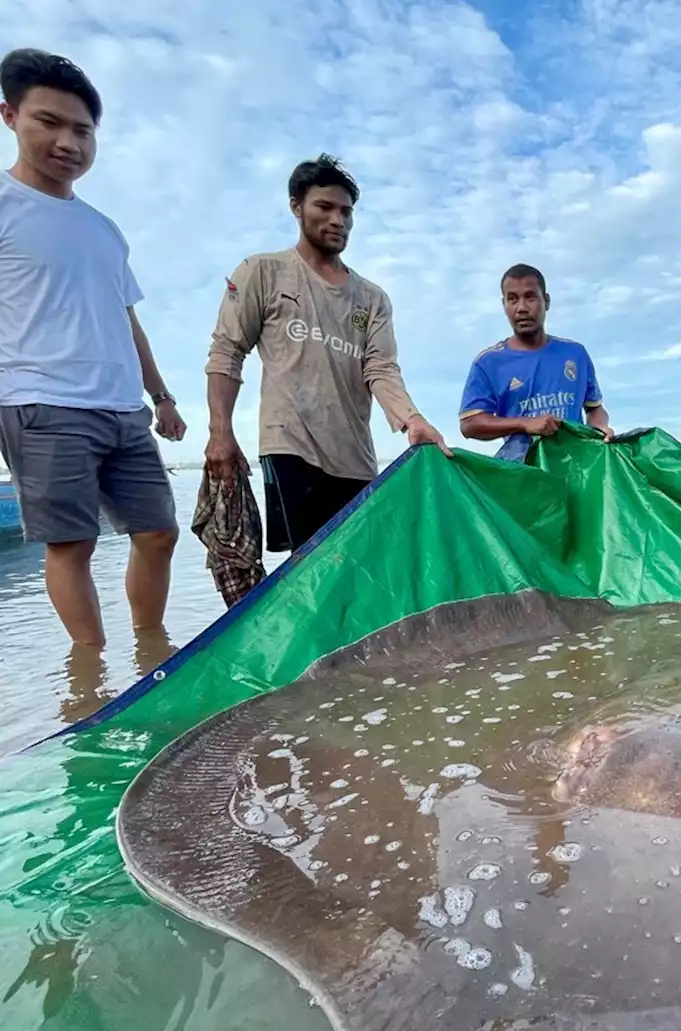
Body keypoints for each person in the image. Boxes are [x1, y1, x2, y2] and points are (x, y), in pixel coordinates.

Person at [0, 48, 185, 649]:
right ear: (10, 116)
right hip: (40, 402)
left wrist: (161, 396)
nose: (67, 142)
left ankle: (150, 649)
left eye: (81, 129)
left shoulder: (105, 229)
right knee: (71, 544)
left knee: (158, 532)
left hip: (122, 407)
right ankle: (93, 670)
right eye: (48, 122)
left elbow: (128, 320)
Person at [204, 154, 450, 554]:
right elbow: (227, 351)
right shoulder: (263, 272)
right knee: (310, 566)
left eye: (347, 212)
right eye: (325, 207)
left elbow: (381, 368)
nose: (338, 220)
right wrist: (220, 431)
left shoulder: (372, 298)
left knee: (359, 566)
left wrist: (412, 420)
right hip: (289, 446)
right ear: (296, 207)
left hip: (355, 457)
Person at [458, 264, 611, 462]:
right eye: (512, 299)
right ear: (504, 304)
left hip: (578, 468)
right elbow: (469, 424)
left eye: (530, 297)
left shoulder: (575, 354)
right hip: (524, 474)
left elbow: (594, 407)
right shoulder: (488, 363)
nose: (521, 308)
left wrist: (599, 428)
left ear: (546, 301)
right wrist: (525, 424)